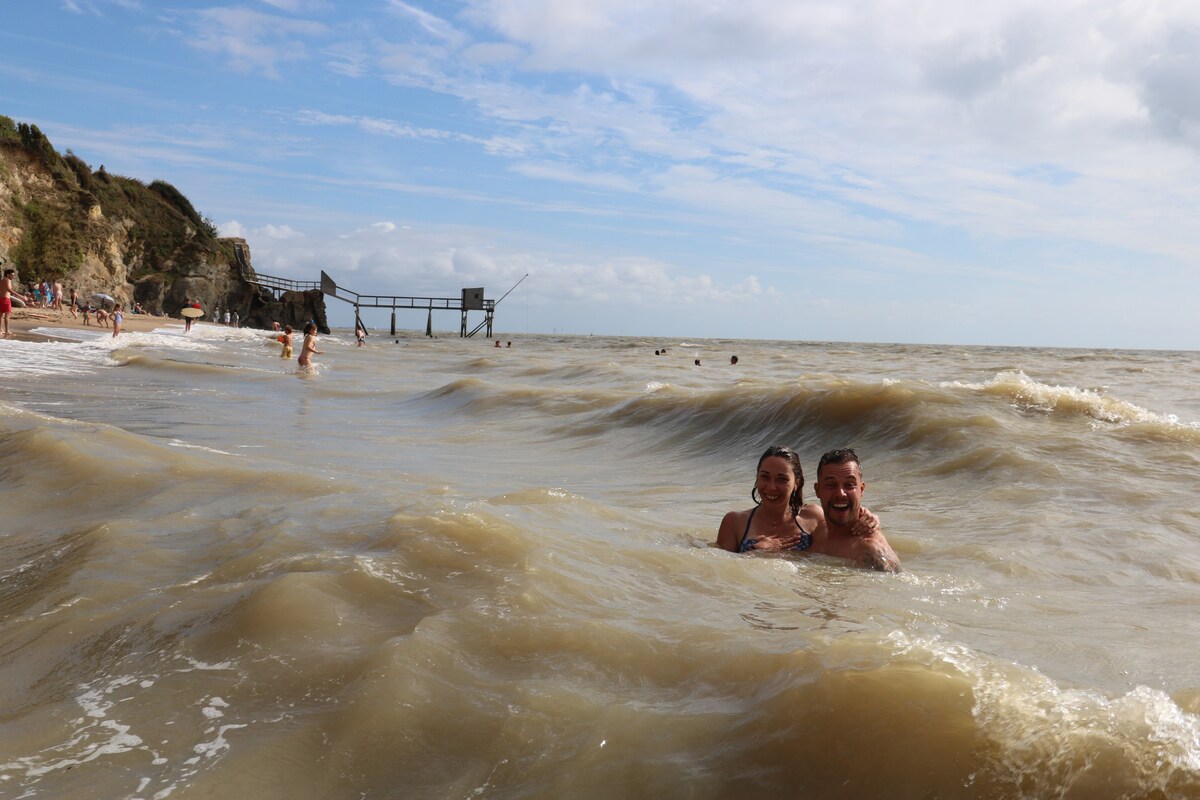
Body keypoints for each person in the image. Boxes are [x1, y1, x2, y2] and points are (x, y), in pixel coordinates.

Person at [811, 448, 901, 572]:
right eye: (831, 485)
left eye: (849, 485)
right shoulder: (816, 530)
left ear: (861, 489)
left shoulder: (871, 551)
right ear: (817, 490)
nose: (841, 493)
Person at [1, 268, 20, 338]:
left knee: (0, 316)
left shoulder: (1, 280)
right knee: (7, 316)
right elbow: (9, 289)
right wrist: (19, 295)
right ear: (7, 274)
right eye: (12, 275)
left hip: (1, 299)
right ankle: (7, 330)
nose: (13, 277)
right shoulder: (8, 280)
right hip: (6, 300)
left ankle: (0, 330)